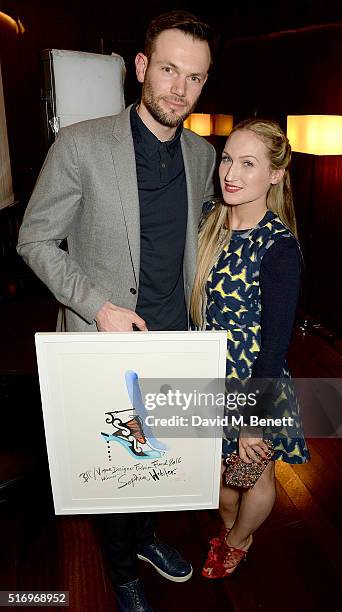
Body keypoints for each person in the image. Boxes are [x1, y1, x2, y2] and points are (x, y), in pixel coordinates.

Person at [17, 10, 216, 612]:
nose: (179, 89)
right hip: (103, 341)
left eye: (196, 78)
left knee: (162, 458)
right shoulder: (79, 144)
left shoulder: (205, 156)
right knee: (116, 468)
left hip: (174, 340)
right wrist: (96, 305)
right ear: (141, 68)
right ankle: (122, 567)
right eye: (170, 71)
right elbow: (33, 240)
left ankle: (149, 539)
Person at [190, 118, 310, 579]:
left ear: (275, 175)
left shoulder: (277, 248)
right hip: (209, 376)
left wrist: (252, 421)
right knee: (220, 480)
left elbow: (275, 344)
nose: (230, 173)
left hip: (253, 380)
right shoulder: (209, 221)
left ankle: (238, 541)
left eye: (248, 163)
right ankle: (230, 527)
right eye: (226, 159)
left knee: (255, 474)